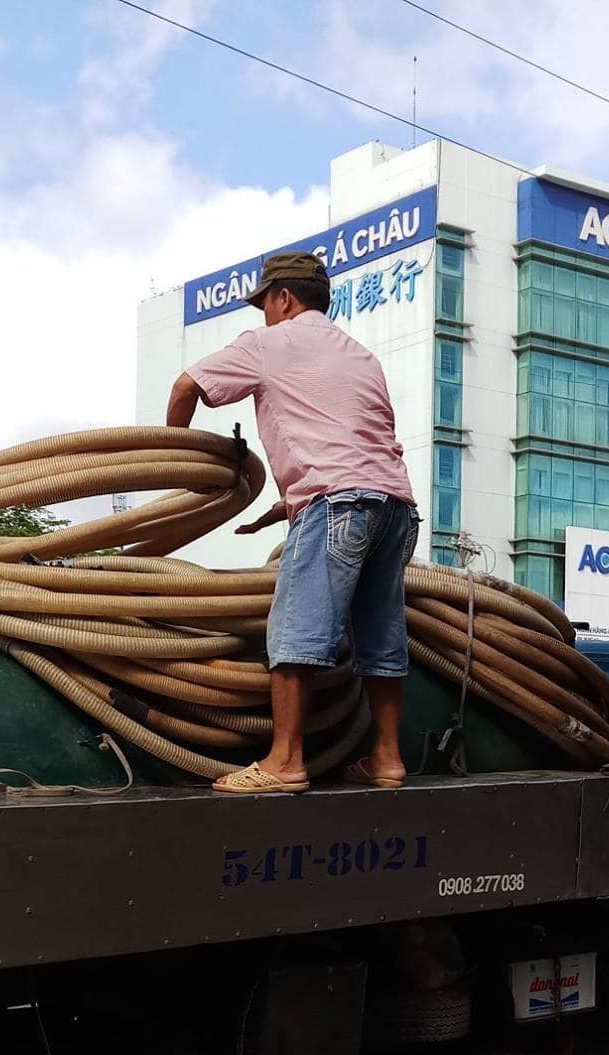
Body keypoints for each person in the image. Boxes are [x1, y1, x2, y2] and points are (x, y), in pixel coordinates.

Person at [167, 249, 420, 794]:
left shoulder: (267, 343)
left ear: (283, 298)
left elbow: (186, 386)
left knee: (293, 631)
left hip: (336, 503)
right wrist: (285, 507)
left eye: (265, 303)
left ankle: (285, 762)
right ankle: (387, 760)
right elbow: (355, 444)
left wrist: (179, 466)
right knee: (381, 635)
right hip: (394, 506)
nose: (262, 314)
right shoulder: (362, 356)